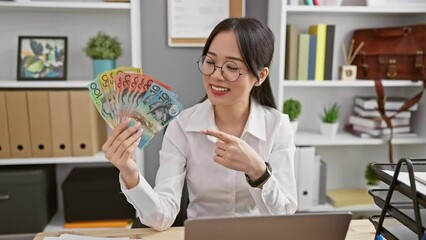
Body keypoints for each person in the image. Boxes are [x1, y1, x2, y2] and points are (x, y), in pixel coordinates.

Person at [102, 17, 297, 231]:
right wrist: (129, 172)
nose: (215, 75)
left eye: (232, 67)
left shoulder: (277, 126)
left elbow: (284, 219)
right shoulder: (182, 126)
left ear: (260, 76)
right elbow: (162, 217)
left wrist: (257, 170)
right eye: (210, 62)